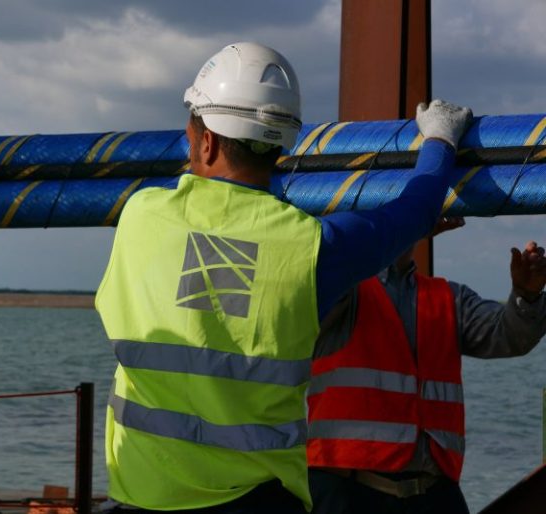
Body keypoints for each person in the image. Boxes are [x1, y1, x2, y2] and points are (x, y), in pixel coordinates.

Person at [95, 41, 473, 513]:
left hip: (145, 498)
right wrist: (439, 139)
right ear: (281, 145)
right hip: (261, 502)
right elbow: (414, 210)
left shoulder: (142, 216)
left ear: (206, 140)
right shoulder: (314, 247)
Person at [307, 220, 546, 514]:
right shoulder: (342, 291)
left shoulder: (450, 298)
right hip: (347, 492)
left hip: (433, 494)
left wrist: (527, 296)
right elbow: (328, 262)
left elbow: (509, 337)